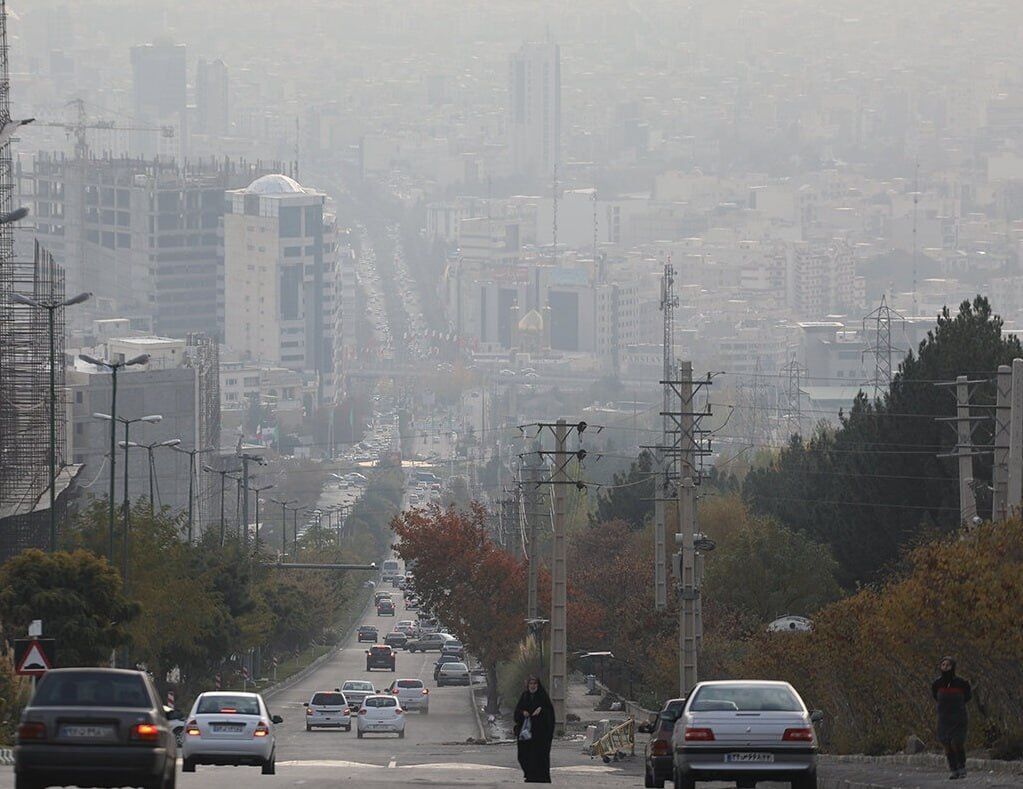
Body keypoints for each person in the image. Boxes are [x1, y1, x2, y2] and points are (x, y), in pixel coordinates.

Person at [931, 656, 972, 780]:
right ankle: (953, 769)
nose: (945, 667)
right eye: (943, 665)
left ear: (953, 667)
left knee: (957, 742)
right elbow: (936, 696)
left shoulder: (961, 683)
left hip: (958, 717)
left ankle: (961, 766)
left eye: (948, 665)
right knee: (946, 744)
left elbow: (967, 696)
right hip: (943, 718)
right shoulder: (937, 683)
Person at [514, 675, 555, 783]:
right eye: (531, 684)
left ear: (538, 685)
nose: (532, 686)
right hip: (526, 733)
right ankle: (529, 775)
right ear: (528, 685)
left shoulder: (542, 696)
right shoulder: (525, 696)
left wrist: (541, 710)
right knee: (523, 755)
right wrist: (523, 712)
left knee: (540, 755)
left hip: (540, 734)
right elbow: (517, 712)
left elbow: (550, 713)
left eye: (535, 684)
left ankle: (542, 777)